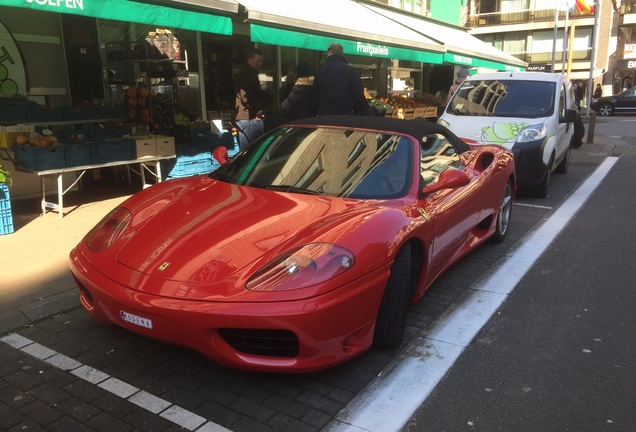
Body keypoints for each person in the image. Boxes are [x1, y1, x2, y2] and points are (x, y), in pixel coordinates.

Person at [314, 43, 371, 115]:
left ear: (330, 53)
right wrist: (356, 112)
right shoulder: (351, 71)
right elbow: (358, 95)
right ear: (341, 53)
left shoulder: (320, 72)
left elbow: (315, 96)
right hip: (345, 114)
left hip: (326, 114)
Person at [235, 48, 266, 149]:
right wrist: (257, 111)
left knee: (246, 153)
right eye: (257, 61)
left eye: (261, 61)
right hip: (249, 118)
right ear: (250, 59)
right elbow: (245, 95)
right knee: (255, 152)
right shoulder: (247, 73)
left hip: (244, 117)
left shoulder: (248, 72)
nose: (260, 63)